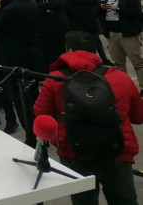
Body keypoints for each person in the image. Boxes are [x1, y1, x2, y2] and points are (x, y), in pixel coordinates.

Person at [34, 31, 143, 205]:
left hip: (74, 153)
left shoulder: (55, 80)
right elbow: (138, 117)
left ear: (68, 50)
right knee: (124, 201)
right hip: (118, 152)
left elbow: (41, 115)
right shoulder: (121, 78)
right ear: (95, 50)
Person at [0, 0, 43, 144]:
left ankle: (30, 135)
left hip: (14, 57)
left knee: (20, 99)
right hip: (32, 55)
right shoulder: (31, 3)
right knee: (34, 96)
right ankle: (41, 133)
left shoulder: (9, 9)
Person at [100, 0, 143, 89]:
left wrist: (118, 9)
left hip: (129, 35)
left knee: (138, 62)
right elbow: (97, 14)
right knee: (119, 64)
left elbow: (137, 14)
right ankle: (125, 88)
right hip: (112, 34)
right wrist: (101, 9)